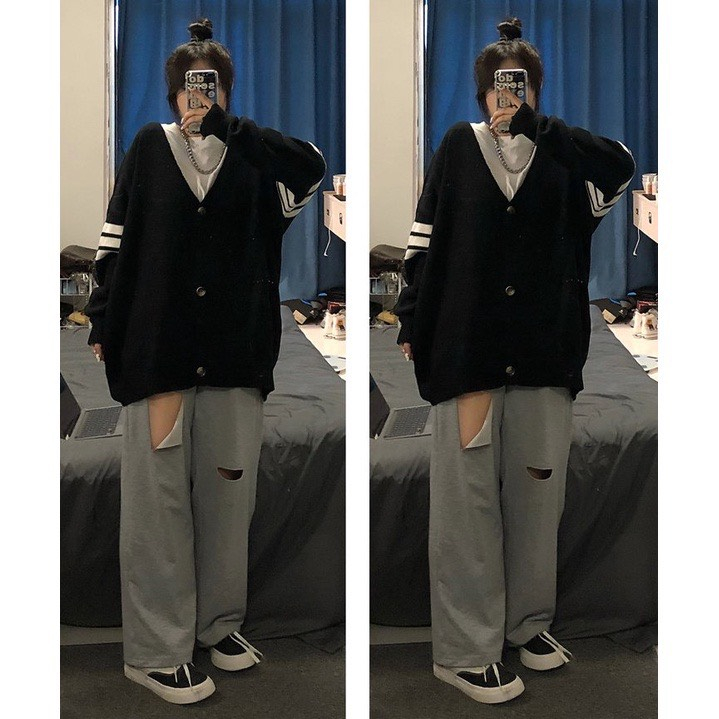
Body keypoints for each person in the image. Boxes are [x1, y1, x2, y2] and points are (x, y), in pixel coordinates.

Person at [84, 18, 326, 705]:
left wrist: (231, 129)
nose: (200, 97)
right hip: (158, 347)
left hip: (235, 350)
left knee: (226, 495)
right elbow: (114, 236)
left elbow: (311, 168)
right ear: (172, 93)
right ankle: (154, 650)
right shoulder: (147, 147)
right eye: (191, 87)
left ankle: (215, 624)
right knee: (158, 502)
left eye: (212, 87)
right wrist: (102, 316)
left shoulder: (256, 157)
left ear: (226, 92)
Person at [394, 17, 635, 705]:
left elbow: (620, 168)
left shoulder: (566, 155)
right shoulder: (456, 146)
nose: (508, 97)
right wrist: (411, 315)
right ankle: (464, 649)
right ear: (481, 93)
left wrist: (540, 128)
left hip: (544, 349)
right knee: (468, 502)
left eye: (520, 86)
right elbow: (423, 235)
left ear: (535, 90)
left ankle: (526, 624)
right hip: (467, 346)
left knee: (536, 495)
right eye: (500, 87)